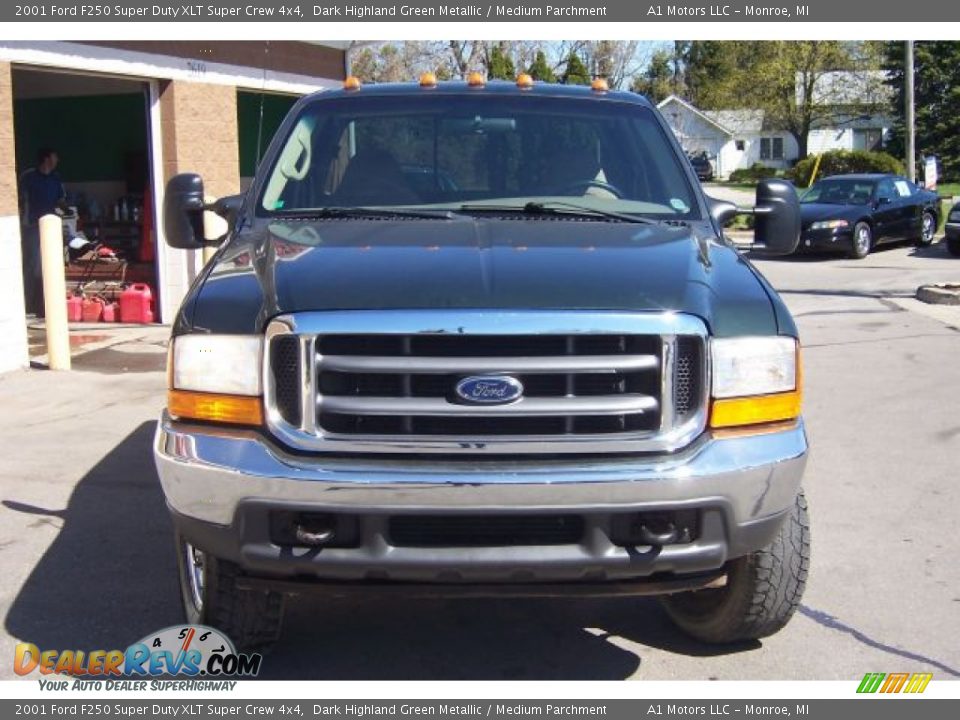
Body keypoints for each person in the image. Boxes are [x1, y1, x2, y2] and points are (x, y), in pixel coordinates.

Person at [19, 147, 66, 317]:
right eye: (55, 156)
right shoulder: (28, 177)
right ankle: (28, 305)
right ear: (47, 159)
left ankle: (44, 306)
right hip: (31, 226)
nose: (57, 159)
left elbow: (61, 200)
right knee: (32, 266)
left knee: (49, 266)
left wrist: (67, 213)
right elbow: (21, 200)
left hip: (50, 228)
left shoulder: (56, 179)